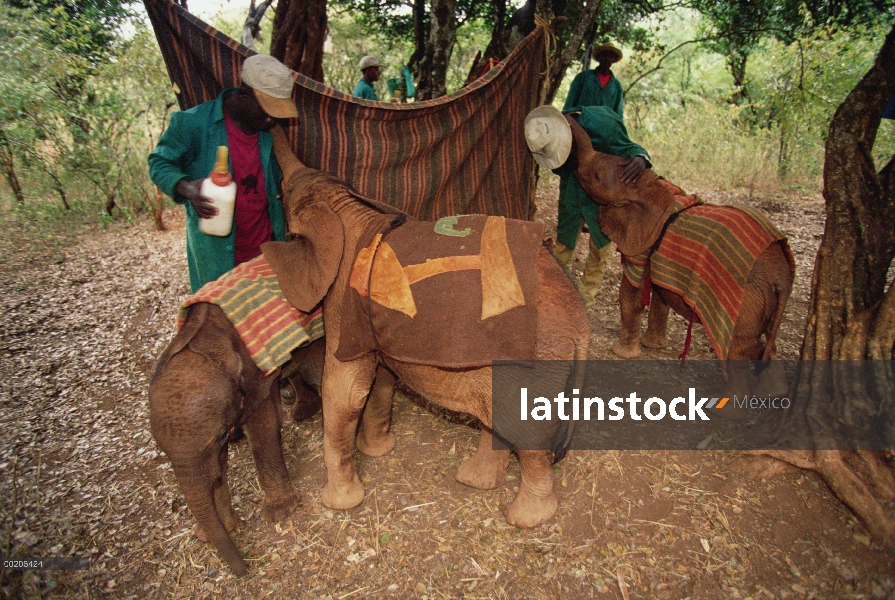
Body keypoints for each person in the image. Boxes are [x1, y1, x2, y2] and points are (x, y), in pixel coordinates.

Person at [148, 54, 298, 294]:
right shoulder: (193, 124)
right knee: (221, 323)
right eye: (267, 110)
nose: (272, 119)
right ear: (244, 96)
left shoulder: (269, 133)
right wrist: (186, 188)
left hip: (265, 253)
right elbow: (159, 162)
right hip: (217, 257)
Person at [524, 104, 651, 308]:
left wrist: (641, 159)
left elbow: (629, 148)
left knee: (599, 249)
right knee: (564, 245)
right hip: (572, 193)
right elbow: (559, 168)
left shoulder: (603, 125)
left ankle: (585, 302)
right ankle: (555, 298)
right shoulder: (545, 136)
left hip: (602, 196)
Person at [554, 42, 627, 307]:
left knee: (601, 237)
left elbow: (618, 119)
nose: (607, 59)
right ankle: (557, 291)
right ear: (599, 58)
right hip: (577, 150)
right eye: (603, 55)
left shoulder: (616, 87)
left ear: (614, 60)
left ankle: (585, 299)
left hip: (604, 157)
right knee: (566, 233)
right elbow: (566, 110)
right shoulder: (584, 78)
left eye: (611, 56)